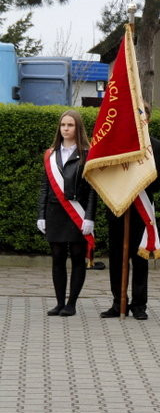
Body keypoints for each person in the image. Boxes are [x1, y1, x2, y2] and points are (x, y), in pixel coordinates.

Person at [101, 103, 160, 320]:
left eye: (143, 114)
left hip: (141, 210)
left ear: (149, 117)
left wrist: (137, 182)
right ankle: (117, 302)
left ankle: (139, 305)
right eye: (135, 114)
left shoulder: (156, 147)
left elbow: (156, 184)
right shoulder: (117, 144)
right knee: (117, 259)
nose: (140, 118)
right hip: (119, 208)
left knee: (140, 259)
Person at [36, 110, 97, 316]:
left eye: (70, 125)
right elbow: (45, 187)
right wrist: (41, 214)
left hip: (77, 214)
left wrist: (89, 217)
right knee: (57, 256)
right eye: (63, 125)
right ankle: (59, 302)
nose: (66, 129)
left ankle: (71, 303)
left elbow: (92, 190)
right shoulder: (50, 154)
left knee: (78, 257)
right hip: (55, 212)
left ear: (77, 128)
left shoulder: (88, 153)